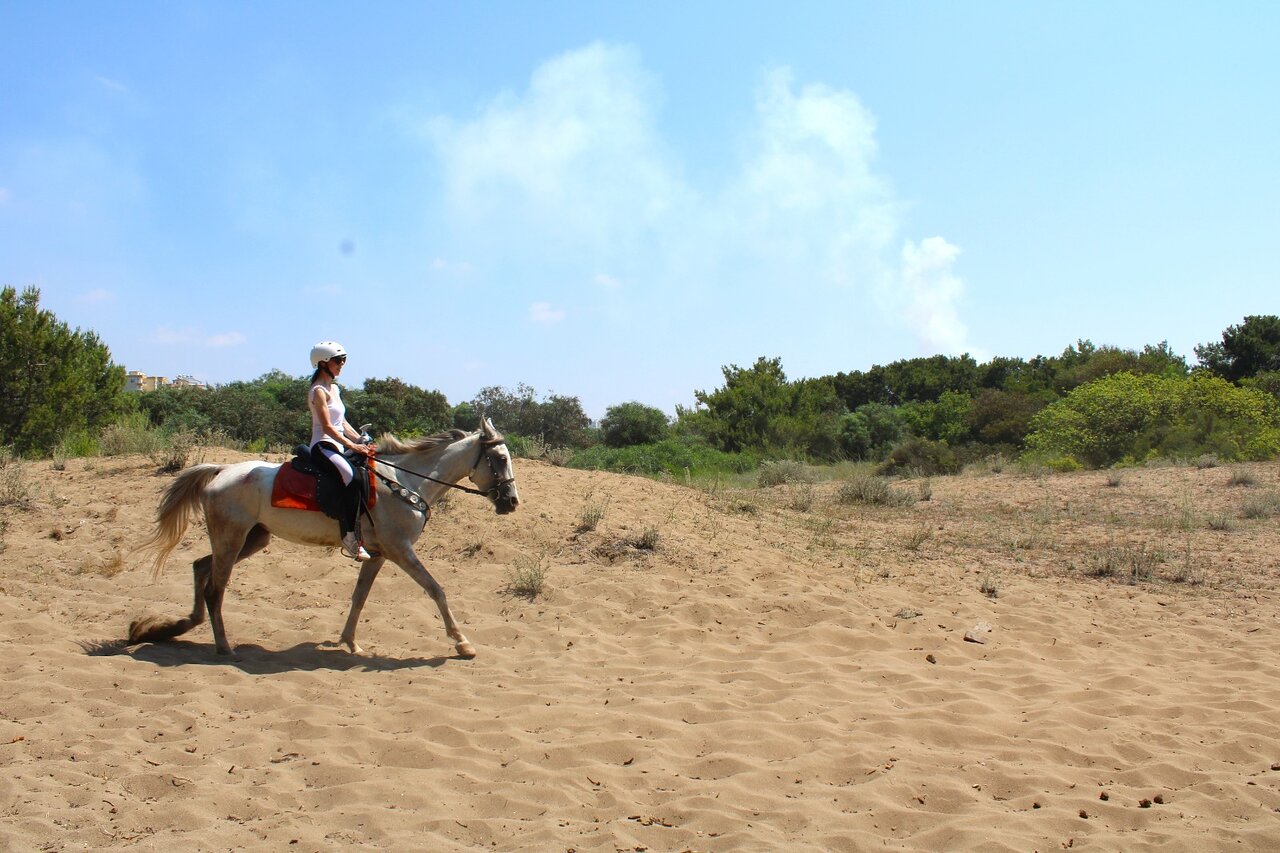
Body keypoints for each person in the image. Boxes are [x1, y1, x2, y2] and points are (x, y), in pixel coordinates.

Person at [308, 341, 374, 561]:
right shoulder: (318, 391)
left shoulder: (334, 389)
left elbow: (341, 422)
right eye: (338, 361)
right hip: (323, 446)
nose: (342, 364)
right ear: (323, 363)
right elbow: (327, 427)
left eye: (343, 360)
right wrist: (353, 446)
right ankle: (349, 536)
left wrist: (360, 438)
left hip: (337, 444)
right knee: (352, 479)